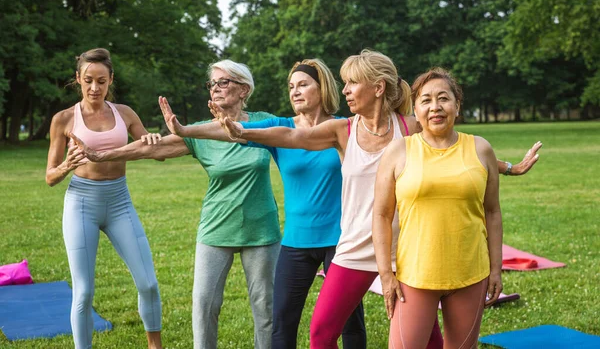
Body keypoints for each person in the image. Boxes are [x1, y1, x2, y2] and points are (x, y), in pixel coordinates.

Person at [202, 49, 541, 349]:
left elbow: (455, 150)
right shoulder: (344, 129)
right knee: (321, 333)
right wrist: (245, 132)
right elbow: (293, 135)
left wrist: (509, 167)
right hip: (355, 245)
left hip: (406, 248)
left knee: (428, 338)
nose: (345, 90)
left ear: (377, 88)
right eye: (344, 82)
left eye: (352, 82)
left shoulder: (410, 126)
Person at [71, 60, 280, 349]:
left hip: (262, 230)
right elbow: (151, 148)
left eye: (223, 82)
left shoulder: (265, 123)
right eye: (212, 84)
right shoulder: (198, 132)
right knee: (204, 307)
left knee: (265, 308)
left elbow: (302, 136)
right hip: (216, 229)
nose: (216, 89)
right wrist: (101, 155)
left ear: (244, 89)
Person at [158, 59, 367, 348]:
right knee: (281, 324)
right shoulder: (280, 128)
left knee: (349, 321)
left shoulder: (344, 128)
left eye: (303, 85)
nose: (295, 91)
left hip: (340, 239)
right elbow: (233, 131)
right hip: (296, 242)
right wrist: (185, 130)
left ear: (323, 88)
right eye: (291, 86)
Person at [372, 67, 502, 348]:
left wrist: (495, 268)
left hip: (470, 273)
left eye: (443, 98)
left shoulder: (481, 149)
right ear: (415, 109)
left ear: (457, 105)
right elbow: (381, 216)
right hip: (414, 277)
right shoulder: (398, 151)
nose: (435, 107)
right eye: (426, 100)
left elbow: (492, 211)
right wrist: (386, 275)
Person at [45, 48, 163, 349]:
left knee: (148, 283)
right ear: (78, 80)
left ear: (111, 80)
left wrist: (150, 140)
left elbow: (153, 150)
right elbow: (50, 177)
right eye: (88, 81)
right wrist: (66, 165)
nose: (94, 88)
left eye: (101, 81)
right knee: (83, 292)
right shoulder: (63, 119)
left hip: (119, 201)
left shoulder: (124, 113)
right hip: (81, 203)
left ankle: (155, 346)